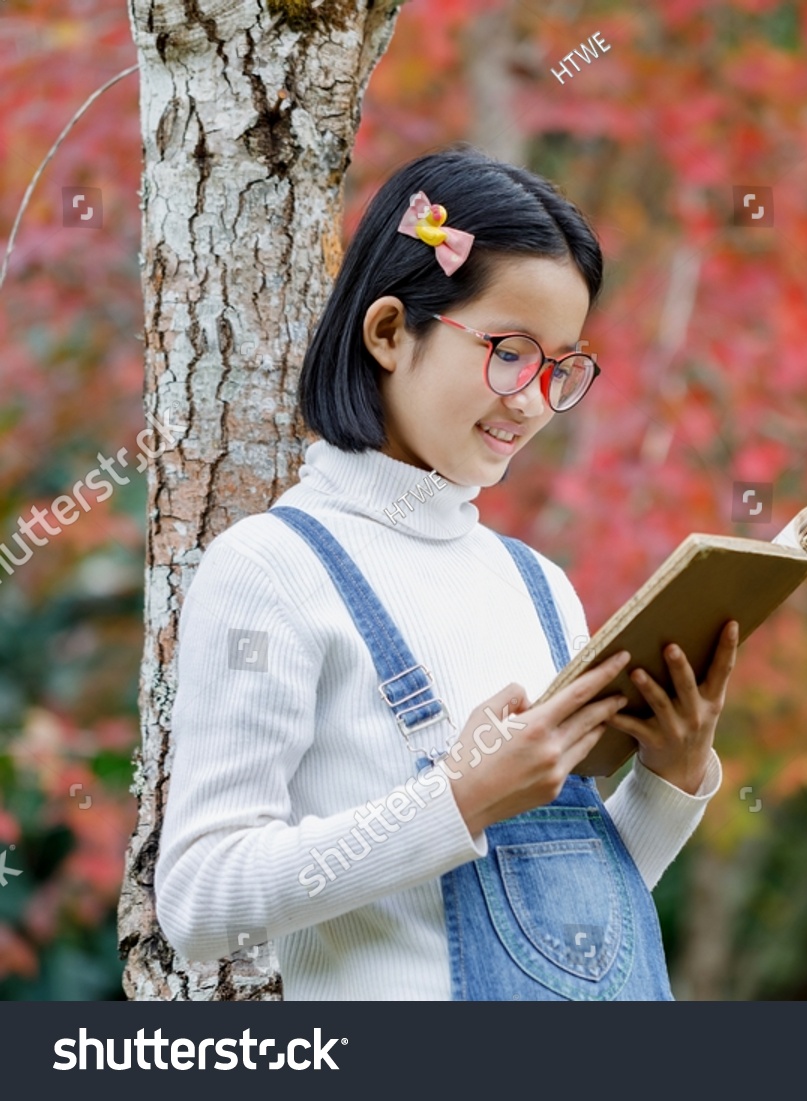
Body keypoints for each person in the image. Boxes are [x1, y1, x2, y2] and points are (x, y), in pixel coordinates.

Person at [155, 146, 739, 1000]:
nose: (533, 399)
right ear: (390, 331)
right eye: (509, 351)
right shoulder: (272, 568)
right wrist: (457, 803)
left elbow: (562, 939)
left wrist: (671, 778)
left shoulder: (539, 586)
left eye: (559, 366)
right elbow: (201, 899)